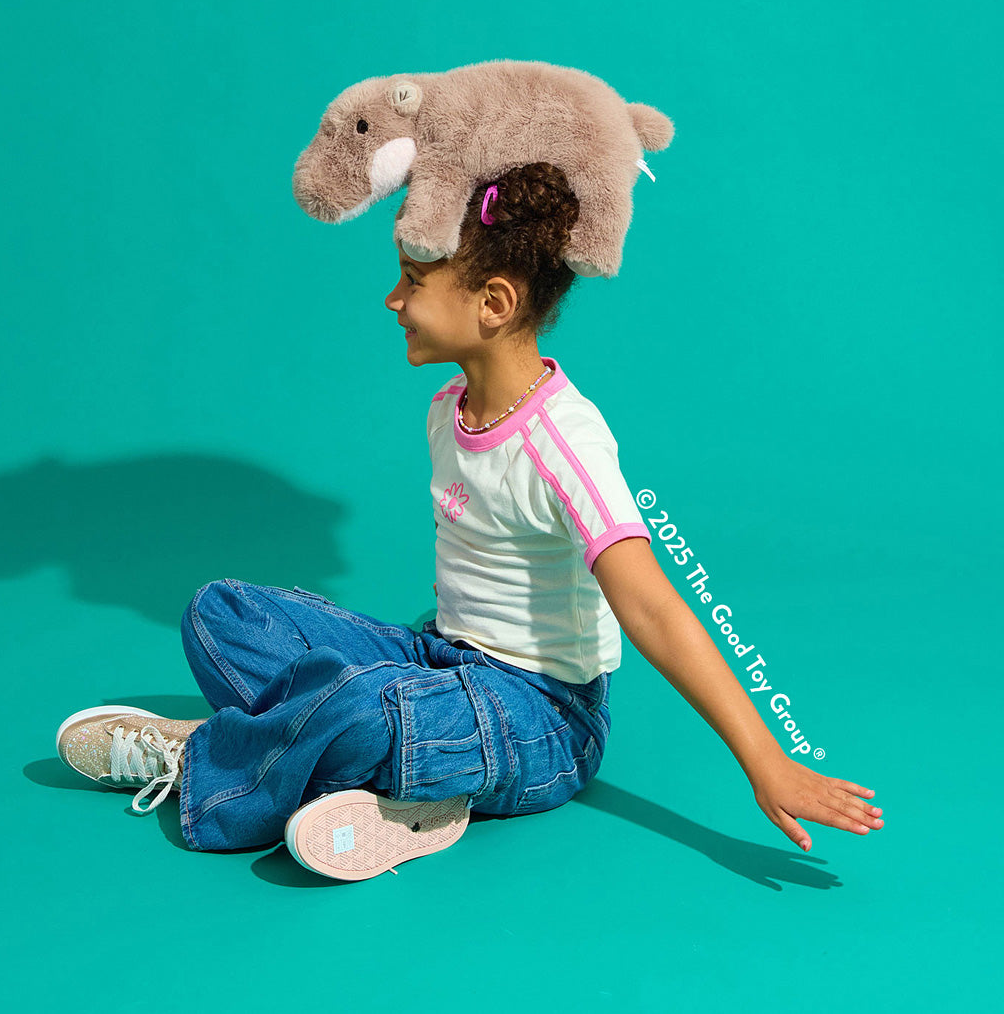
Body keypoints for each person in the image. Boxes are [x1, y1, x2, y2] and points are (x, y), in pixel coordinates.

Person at [55, 163, 883, 881]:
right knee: (221, 613)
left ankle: (208, 764)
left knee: (360, 706)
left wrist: (764, 759)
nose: (393, 299)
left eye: (414, 280)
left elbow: (653, 607)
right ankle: (391, 789)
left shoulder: (566, 443)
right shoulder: (445, 410)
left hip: (544, 721)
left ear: (493, 302)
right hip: (444, 660)